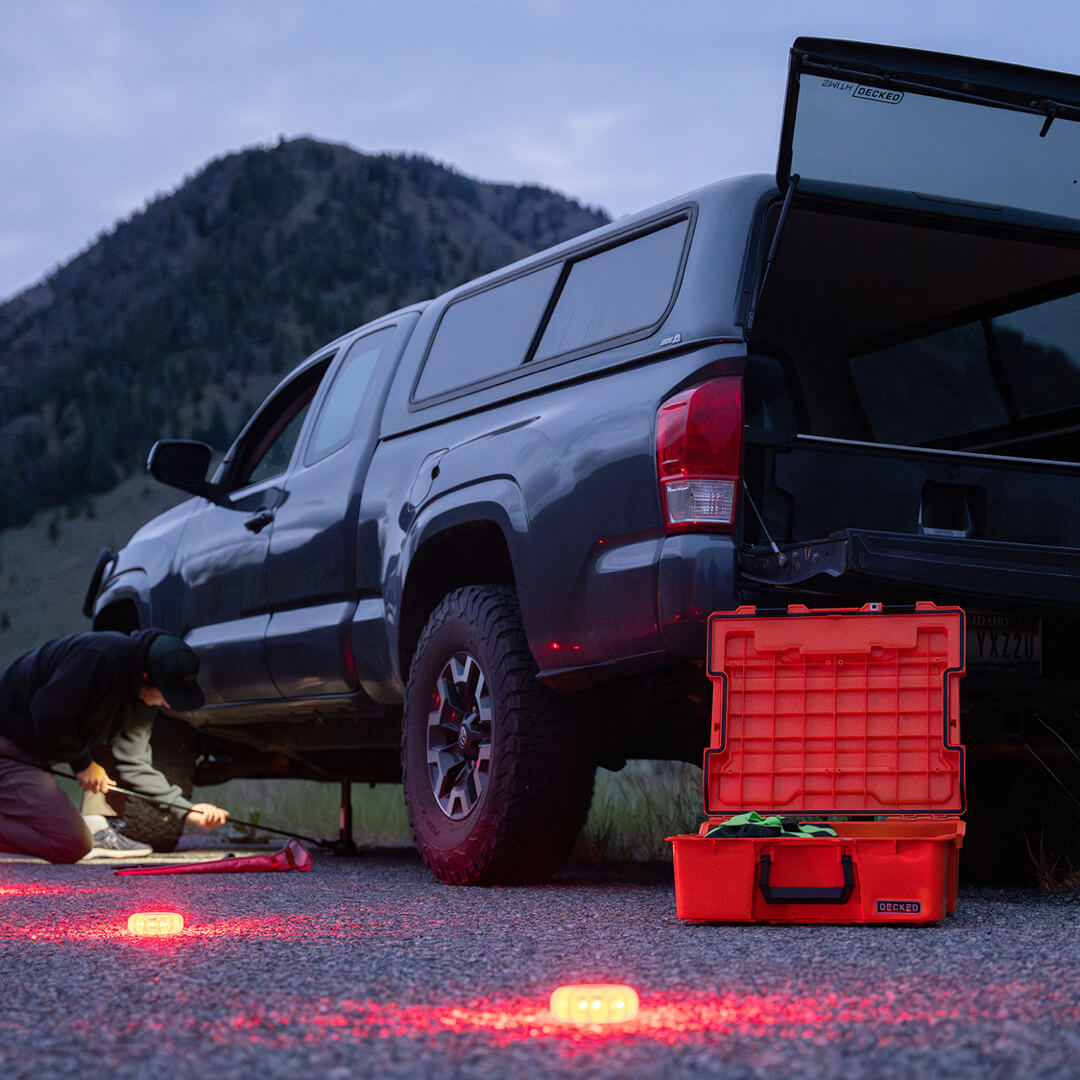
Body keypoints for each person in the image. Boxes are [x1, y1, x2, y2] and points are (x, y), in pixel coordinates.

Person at [0, 628, 228, 862]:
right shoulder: (98, 657)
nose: (168, 704)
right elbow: (48, 713)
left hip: (36, 753)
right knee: (70, 844)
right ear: (146, 676)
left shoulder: (140, 695)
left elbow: (134, 762)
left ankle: (96, 825)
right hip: (10, 748)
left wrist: (186, 809)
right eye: (167, 694)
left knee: (75, 835)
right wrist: (83, 764)